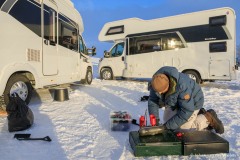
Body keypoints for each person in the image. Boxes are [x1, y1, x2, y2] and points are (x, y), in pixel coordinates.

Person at [148, 66, 224, 134]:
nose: (160, 93)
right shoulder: (156, 81)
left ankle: (208, 117)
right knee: (168, 122)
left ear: (169, 85)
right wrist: (155, 120)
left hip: (193, 102)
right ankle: (194, 116)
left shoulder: (182, 86)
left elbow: (186, 111)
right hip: (175, 101)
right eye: (158, 92)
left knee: (183, 129)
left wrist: (166, 127)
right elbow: (153, 101)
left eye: (162, 91)